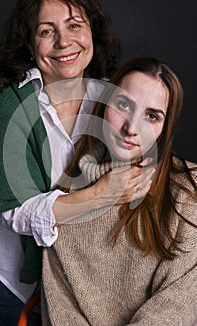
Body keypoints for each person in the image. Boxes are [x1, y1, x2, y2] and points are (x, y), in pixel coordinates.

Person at [0, 0, 155, 326]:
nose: (64, 42)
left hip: (77, 275)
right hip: (17, 278)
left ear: (92, 33)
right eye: (46, 31)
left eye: (74, 26)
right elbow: (15, 213)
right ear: (30, 42)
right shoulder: (15, 106)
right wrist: (101, 194)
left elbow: (143, 148)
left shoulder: (107, 97)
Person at [40, 57, 197, 325]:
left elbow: (178, 305)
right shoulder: (70, 191)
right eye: (124, 105)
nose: (131, 128)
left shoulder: (188, 191)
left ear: (164, 128)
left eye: (152, 115)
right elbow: (60, 309)